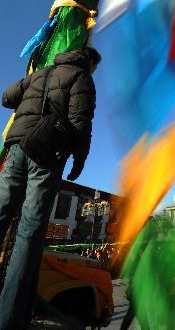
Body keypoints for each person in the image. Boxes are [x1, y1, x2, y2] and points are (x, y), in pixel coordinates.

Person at [0, 46, 100, 330]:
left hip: (16, 148)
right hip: (45, 154)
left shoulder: (42, 71)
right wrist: (79, 160)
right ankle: (8, 319)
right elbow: (81, 123)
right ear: (88, 62)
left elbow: (7, 97)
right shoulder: (81, 78)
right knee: (29, 233)